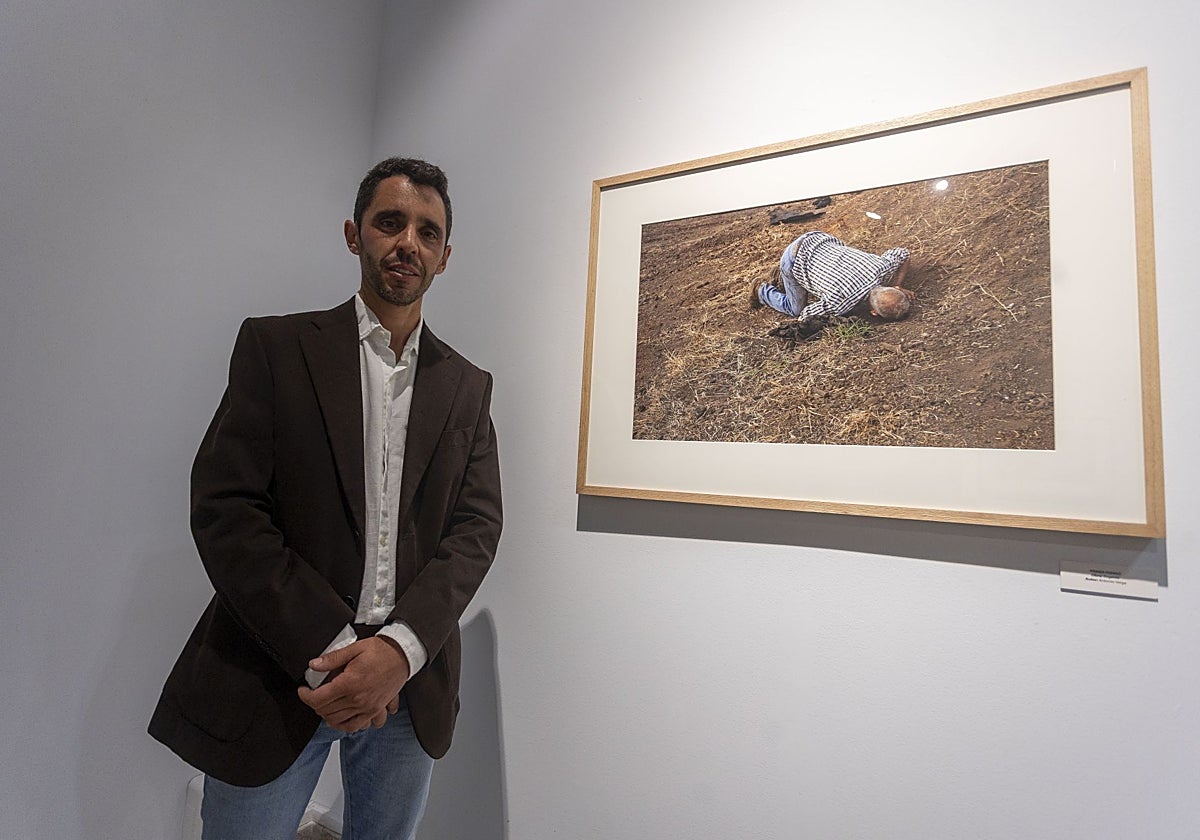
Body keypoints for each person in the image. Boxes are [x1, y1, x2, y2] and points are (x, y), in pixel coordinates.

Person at [148, 157, 503, 840]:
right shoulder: (276, 349)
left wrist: (396, 651)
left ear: (445, 256)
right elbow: (228, 509)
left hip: (409, 686)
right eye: (390, 222)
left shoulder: (468, 385)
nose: (408, 243)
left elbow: (476, 529)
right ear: (354, 234)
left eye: (428, 232)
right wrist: (335, 648)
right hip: (282, 669)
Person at [752, 230, 915, 322]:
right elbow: (805, 315)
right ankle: (761, 291)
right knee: (795, 309)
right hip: (793, 259)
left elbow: (902, 253)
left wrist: (897, 285)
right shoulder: (840, 303)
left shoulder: (883, 266)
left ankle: (781, 277)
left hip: (818, 238)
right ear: (873, 312)